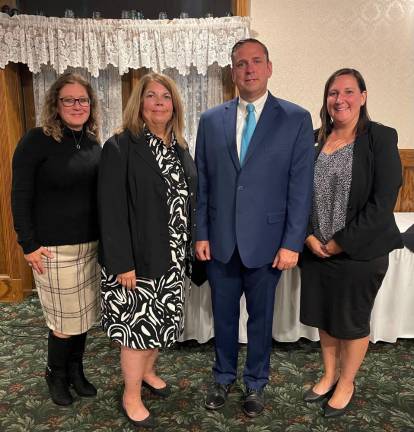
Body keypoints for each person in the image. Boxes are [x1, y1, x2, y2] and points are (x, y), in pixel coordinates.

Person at [195, 38, 314, 417]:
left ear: (269, 67)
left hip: (269, 243)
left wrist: (292, 242)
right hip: (221, 242)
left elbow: (300, 187)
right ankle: (223, 376)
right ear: (233, 71)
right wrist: (201, 233)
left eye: (256, 62)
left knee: (262, 319)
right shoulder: (211, 120)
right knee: (224, 315)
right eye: (241, 63)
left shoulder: (296, 118)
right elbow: (203, 182)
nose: (248, 69)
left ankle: (256, 383)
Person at [300, 68, 403, 417]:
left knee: (351, 320)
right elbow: (296, 196)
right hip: (316, 250)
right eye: (332, 93)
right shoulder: (312, 140)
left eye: (347, 91)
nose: (339, 99)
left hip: (360, 252)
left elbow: (383, 200)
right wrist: (310, 236)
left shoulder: (380, 138)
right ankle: (329, 375)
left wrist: (341, 243)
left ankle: (347, 382)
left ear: (363, 95)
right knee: (325, 318)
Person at [98, 72, 197, 429]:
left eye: (166, 97)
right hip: (137, 262)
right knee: (137, 330)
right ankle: (131, 395)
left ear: (174, 105)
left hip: (171, 258)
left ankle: (149, 373)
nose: (159, 102)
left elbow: (188, 200)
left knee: (161, 325)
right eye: (151, 96)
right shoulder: (121, 146)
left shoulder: (179, 147)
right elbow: (110, 211)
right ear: (139, 104)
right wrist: (122, 262)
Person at [11, 72, 102, 406]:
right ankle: (57, 373)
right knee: (64, 321)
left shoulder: (93, 143)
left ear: (91, 105)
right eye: (69, 100)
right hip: (52, 250)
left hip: (90, 247)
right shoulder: (36, 141)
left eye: (83, 100)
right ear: (56, 104)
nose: (77, 106)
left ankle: (76, 371)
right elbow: (19, 196)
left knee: (83, 316)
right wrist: (28, 244)